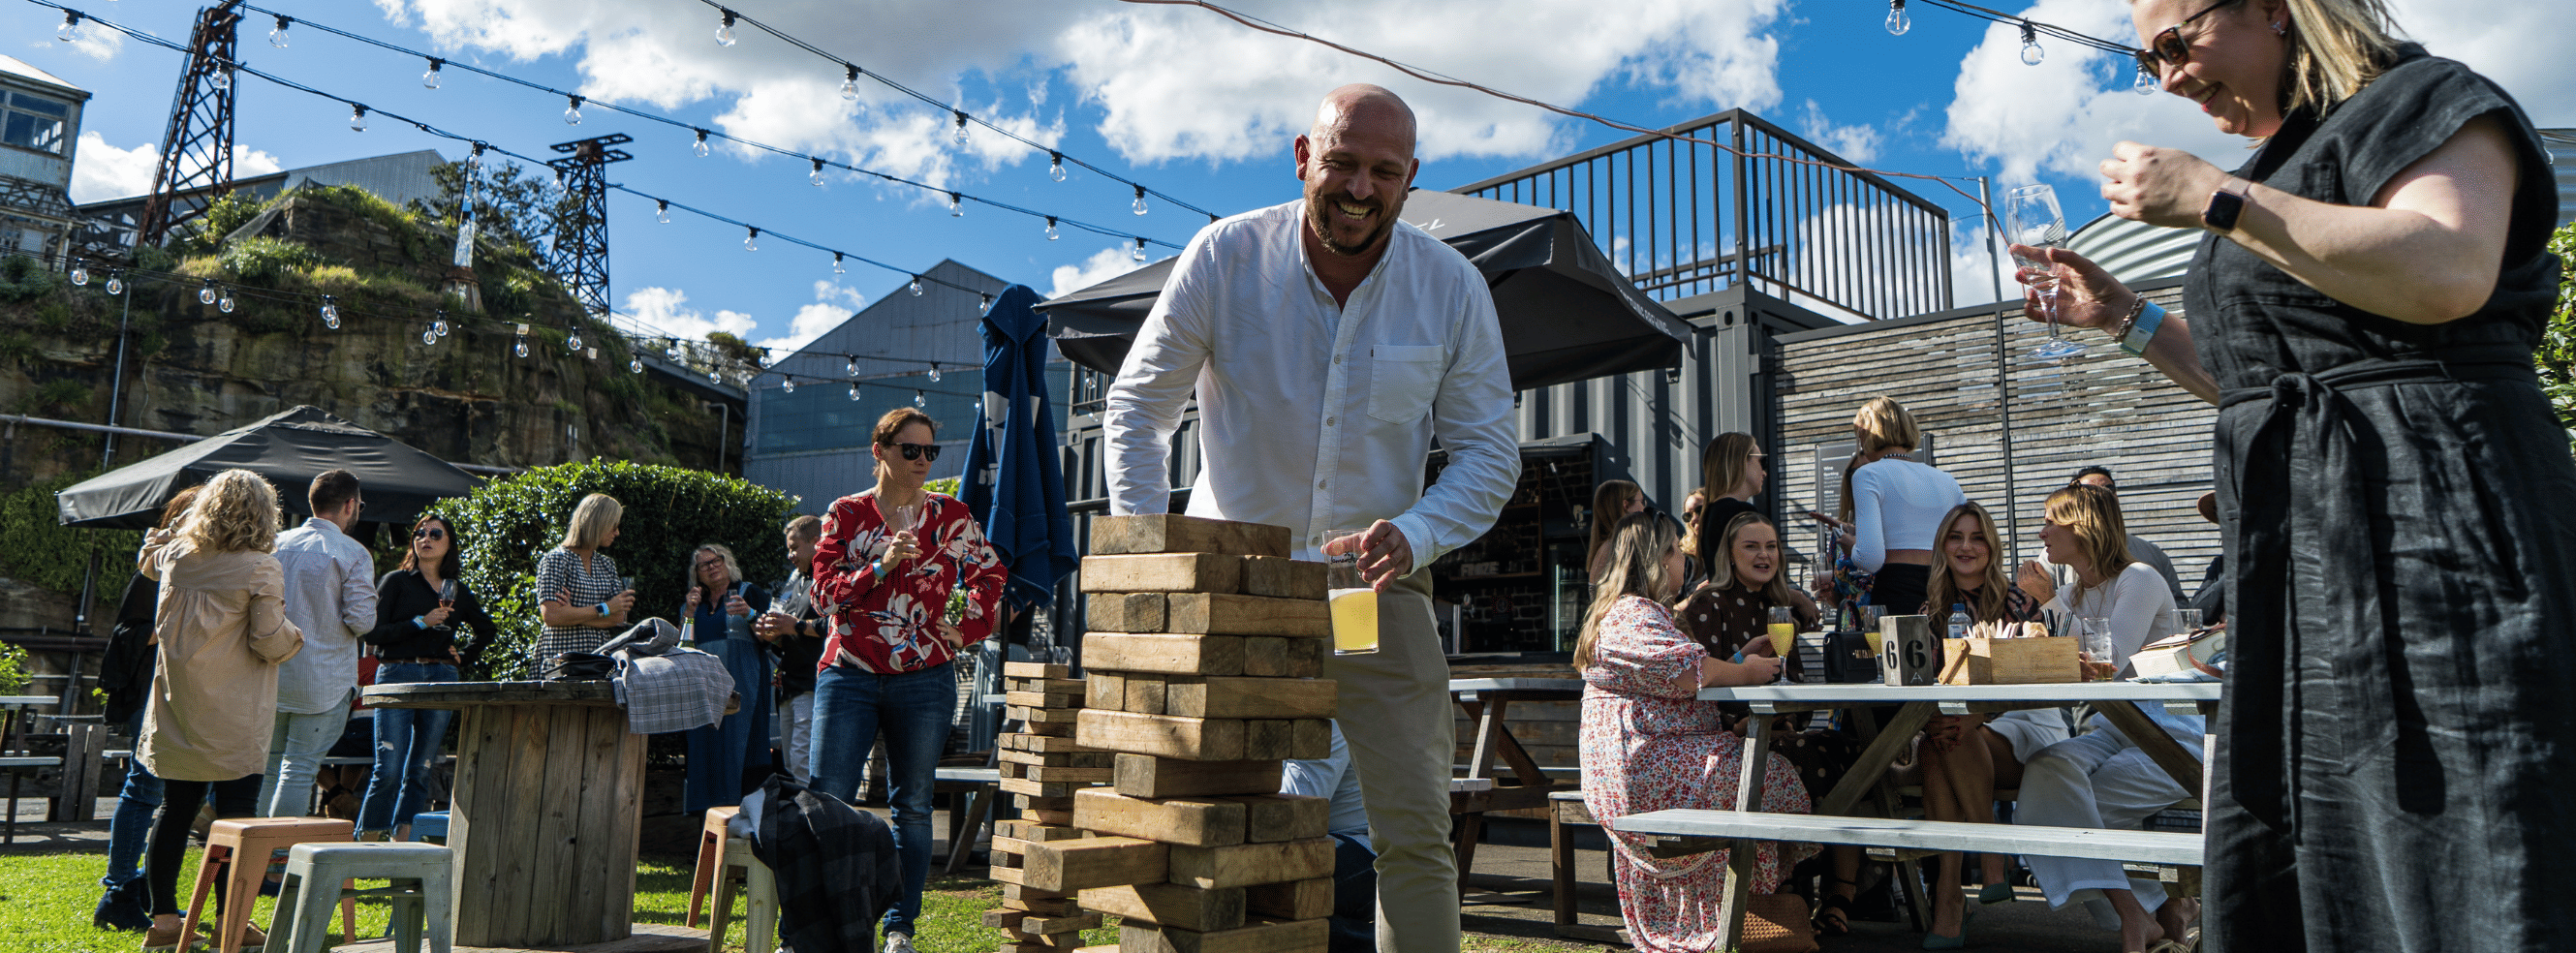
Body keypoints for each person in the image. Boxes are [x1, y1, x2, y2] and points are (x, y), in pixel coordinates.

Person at [2016, 2, 2576, 946]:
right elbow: (2259, 380)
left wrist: (2217, 199)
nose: (2168, 77)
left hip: (2430, 534)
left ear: (2274, 9)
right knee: (2311, 848)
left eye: (2175, 43)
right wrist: (2122, 316)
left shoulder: (2423, 99)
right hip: (2295, 577)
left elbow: (2447, 266)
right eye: (2146, 61)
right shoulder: (2274, 170)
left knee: (2458, 828)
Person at [1100, 83, 1521, 953]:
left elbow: (1489, 454)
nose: (1360, 189)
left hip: (1375, 589)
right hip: (1231, 591)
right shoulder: (1225, 255)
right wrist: (1153, 561)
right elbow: (1137, 408)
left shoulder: (1450, 285)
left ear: (1410, 178)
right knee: (1193, 823)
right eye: (1341, 163)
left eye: (1383, 172)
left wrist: (1416, 531)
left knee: (1414, 831)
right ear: (1303, 156)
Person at [810, 407, 1007, 953]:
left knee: (914, 808)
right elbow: (822, 597)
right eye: (910, 450)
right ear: (880, 452)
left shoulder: (951, 516)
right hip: (849, 672)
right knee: (829, 802)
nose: (922, 460)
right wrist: (880, 566)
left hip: (925, 677)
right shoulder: (846, 514)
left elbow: (991, 572)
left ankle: (899, 930)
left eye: (930, 451)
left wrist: (966, 629)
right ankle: (815, 930)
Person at [1576, 511, 1811, 953]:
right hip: (1645, 772)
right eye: (1677, 551)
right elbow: (1687, 670)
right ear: (1659, 560)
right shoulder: (1633, 612)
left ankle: (1742, 914)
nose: (1684, 560)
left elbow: (1672, 674)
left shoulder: (1629, 613)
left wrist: (1737, 661)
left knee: (1763, 767)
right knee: (1769, 774)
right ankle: (1751, 914)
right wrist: (1748, 673)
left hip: (1643, 764)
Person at [2007, 484, 2197, 952]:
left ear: (2083, 528)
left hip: (2168, 733)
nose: (2041, 532)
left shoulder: (2140, 578)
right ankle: (2150, 911)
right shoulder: (2071, 594)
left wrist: (2048, 603)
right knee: (2045, 770)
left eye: (2051, 521)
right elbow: (2063, 660)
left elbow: (2109, 659)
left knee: (2070, 810)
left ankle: (2156, 910)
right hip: (2113, 727)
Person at [136, 469, 304, 951]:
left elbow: (148, 561)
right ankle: (231, 923)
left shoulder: (178, 557)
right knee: (237, 815)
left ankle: (164, 923)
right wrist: (297, 637)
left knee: (174, 810)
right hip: (236, 709)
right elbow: (268, 639)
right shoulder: (260, 567)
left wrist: (170, 532)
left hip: (177, 705)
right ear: (265, 514)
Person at [1910, 502, 2056, 947]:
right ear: (1943, 546)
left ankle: (1954, 893)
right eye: (1956, 537)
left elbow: (2042, 678)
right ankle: (1978, 867)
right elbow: (1923, 684)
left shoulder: (2019, 603)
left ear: (1991, 547)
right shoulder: (1928, 610)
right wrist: (1943, 719)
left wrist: (1980, 715)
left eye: (1977, 538)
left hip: (2026, 724)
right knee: (1941, 742)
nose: (1966, 547)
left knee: (1951, 737)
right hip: (1959, 734)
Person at [92, 487, 199, 932]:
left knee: (173, 793)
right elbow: (129, 632)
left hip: (182, 689)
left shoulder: (194, 565)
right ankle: (119, 890)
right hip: (150, 688)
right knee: (145, 786)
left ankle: (146, 889)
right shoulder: (157, 566)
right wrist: (177, 623)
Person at [357, 514, 494, 841]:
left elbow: (487, 629)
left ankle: (403, 841)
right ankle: (367, 841)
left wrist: (463, 657)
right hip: (398, 673)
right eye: (419, 533)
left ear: (449, 544)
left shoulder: (455, 590)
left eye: (435, 534)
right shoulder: (396, 581)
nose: (425, 539)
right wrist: (421, 622)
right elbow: (372, 633)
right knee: (389, 767)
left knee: (421, 767)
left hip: (441, 676)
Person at [259, 470, 378, 818]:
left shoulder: (275, 544)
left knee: (269, 768)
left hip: (273, 672)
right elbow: (362, 622)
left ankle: (255, 847)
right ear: (350, 505)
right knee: (299, 770)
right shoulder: (352, 553)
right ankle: (281, 848)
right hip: (323, 680)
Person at [1844, 397, 1964, 617]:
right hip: (1946, 585)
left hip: (1896, 589)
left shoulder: (1868, 474)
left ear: (1864, 434)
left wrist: (1852, 547)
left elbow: (1870, 558)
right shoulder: (1947, 480)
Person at [682, 542, 774, 814]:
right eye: (704, 565)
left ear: (727, 562)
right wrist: (688, 614)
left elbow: (771, 636)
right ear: (697, 574)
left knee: (743, 750)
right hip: (703, 691)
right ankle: (708, 823)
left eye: (716, 560)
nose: (712, 567)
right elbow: (682, 646)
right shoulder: (694, 605)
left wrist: (750, 614)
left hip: (744, 685)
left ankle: (744, 822)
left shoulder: (749, 593)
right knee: (705, 750)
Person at [1278, 722, 1377, 953]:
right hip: (1320, 840)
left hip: (1368, 849)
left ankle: (1395, 945)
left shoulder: (1328, 722)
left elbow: (1294, 814)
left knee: (1274, 897)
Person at [1673, 511, 1820, 661]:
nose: (1764, 554)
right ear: (1730, 554)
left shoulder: (1775, 604)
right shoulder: (1709, 604)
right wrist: (1741, 659)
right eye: (1751, 546)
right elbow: (1699, 672)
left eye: (1771, 546)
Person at [2042, 467, 2186, 606]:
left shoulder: (2143, 570)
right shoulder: (2068, 591)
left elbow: (2181, 608)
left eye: (2109, 489)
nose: (2101, 495)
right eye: (2088, 491)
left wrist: (2049, 600)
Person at [755, 515, 827, 784]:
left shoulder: (830, 577)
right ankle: (802, 807)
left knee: (802, 760)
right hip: (787, 684)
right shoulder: (794, 578)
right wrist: (770, 633)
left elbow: (837, 625)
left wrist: (794, 626)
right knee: (790, 762)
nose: (790, 555)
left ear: (816, 542)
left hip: (813, 684)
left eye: (794, 547)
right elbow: (782, 625)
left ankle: (812, 809)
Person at [535, 493, 639, 660]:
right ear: (598, 524)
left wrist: (570, 614)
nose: (617, 532)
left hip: (598, 659)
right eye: (613, 526)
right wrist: (605, 608)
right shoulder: (555, 560)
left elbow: (618, 617)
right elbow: (552, 616)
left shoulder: (606, 564)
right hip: (562, 659)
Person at [1691, 432, 1767, 577]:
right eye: (1761, 462)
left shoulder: (1711, 512)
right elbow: (1759, 576)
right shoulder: (1741, 512)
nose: (1764, 472)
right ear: (1741, 462)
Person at [1585, 479, 1643, 578]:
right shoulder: (1616, 550)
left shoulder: (1606, 548)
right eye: (1641, 502)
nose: (1643, 508)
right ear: (1626, 505)